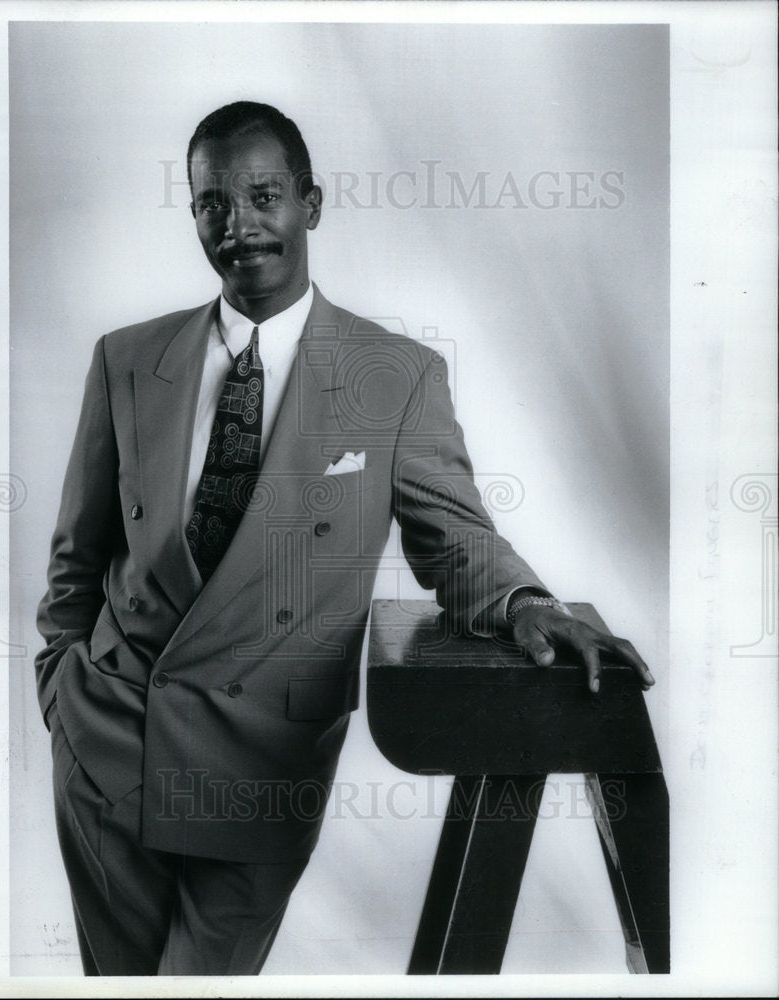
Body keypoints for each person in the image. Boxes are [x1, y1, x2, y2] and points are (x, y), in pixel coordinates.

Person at [35, 100, 655, 976]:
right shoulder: (126, 359)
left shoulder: (394, 376)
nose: (239, 227)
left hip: (262, 763)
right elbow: (75, 558)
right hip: (105, 754)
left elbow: (455, 540)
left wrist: (526, 602)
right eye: (212, 203)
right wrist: (61, 691)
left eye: (262, 197)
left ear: (311, 203)